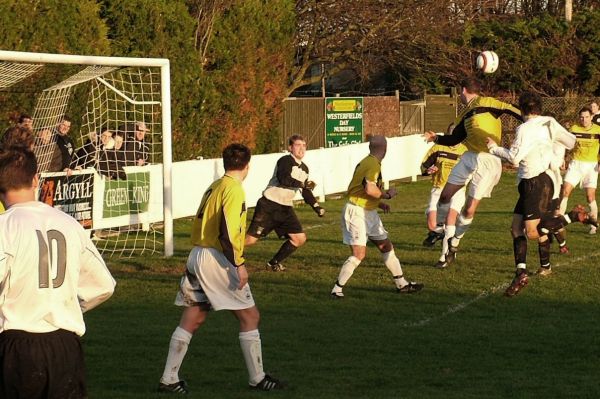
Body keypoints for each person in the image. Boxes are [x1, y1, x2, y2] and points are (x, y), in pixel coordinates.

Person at [158, 143, 283, 394]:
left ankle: (169, 378)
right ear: (247, 166)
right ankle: (257, 378)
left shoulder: (215, 185)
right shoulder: (234, 189)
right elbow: (227, 230)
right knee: (250, 316)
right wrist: (239, 265)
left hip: (198, 254)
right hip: (217, 259)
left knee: (194, 317)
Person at [0, 146, 115, 398]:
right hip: (65, 345)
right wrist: (65, 305)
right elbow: (104, 285)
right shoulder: (68, 223)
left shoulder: (5, 227)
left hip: (16, 346)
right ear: (35, 179)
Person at [486, 92, 589, 296]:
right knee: (516, 228)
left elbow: (514, 158)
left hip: (535, 182)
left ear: (522, 109)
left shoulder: (524, 128)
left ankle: (573, 217)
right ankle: (523, 272)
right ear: (539, 108)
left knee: (533, 232)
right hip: (534, 181)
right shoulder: (549, 121)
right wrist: (549, 144)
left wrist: (494, 148)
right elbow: (570, 141)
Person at [423, 76, 522, 268]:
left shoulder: (486, 102)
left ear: (463, 90)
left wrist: (530, 121)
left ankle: (455, 242)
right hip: (469, 157)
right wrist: (436, 138)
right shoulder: (464, 114)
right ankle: (439, 230)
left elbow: (510, 109)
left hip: (488, 160)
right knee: (445, 196)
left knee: (469, 209)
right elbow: (454, 140)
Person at [330, 135, 423, 298]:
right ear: (385, 149)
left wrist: (379, 204)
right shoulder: (372, 164)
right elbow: (369, 189)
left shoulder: (367, 161)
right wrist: (387, 195)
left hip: (367, 210)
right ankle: (337, 289)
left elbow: (360, 189)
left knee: (386, 246)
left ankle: (402, 284)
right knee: (359, 254)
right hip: (357, 211)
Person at [245, 135, 325, 272]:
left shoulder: (304, 168)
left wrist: (316, 206)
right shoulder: (285, 160)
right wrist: (302, 184)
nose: (301, 148)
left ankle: (273, 263)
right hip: (269, 205)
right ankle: (221, 252)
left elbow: (305, 191)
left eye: (304, 145)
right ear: (290, 148)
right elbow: (284, 179)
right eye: (298, 145)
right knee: (250, 240)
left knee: (299, 238)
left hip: (285, 208)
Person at [420, 123, 467, 254]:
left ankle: (446, 254)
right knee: (432, 225)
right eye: (451, 134)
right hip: (438, 189)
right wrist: (428, 170)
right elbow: (423, 166)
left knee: (450, 220)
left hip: (457, 190)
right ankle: (439, 233)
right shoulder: (438, 147)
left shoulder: (465, 151)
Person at [558, 106, 600, 234]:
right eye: (581, 117)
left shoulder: (598, 130)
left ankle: (593, 225)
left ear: (591, 117)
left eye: (587, 117)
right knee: (565, 192)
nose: (584, 119)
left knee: (590, 196)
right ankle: (558, 223)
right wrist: (562, 158)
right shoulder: (574, 129)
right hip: (575, 164)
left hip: (591, 166)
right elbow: (565, 144)